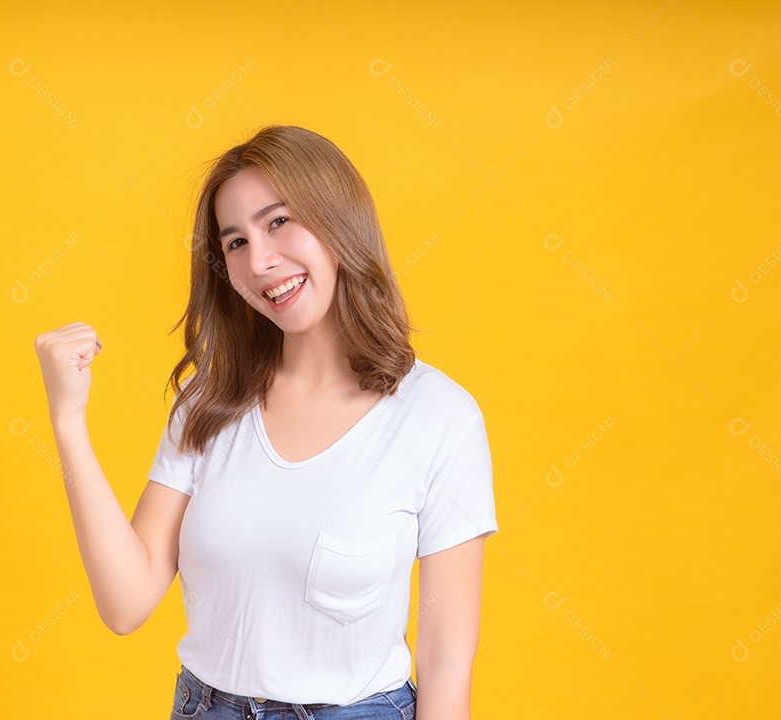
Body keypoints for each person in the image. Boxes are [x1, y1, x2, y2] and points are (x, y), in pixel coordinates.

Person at [34, 125, 498, 720]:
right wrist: (68, 418)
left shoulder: (438, 417)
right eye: (234, 243)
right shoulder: (211, 402)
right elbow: (126, 602)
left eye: (279, 222)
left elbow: (445, 665)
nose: (260, 260)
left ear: (340, 220)